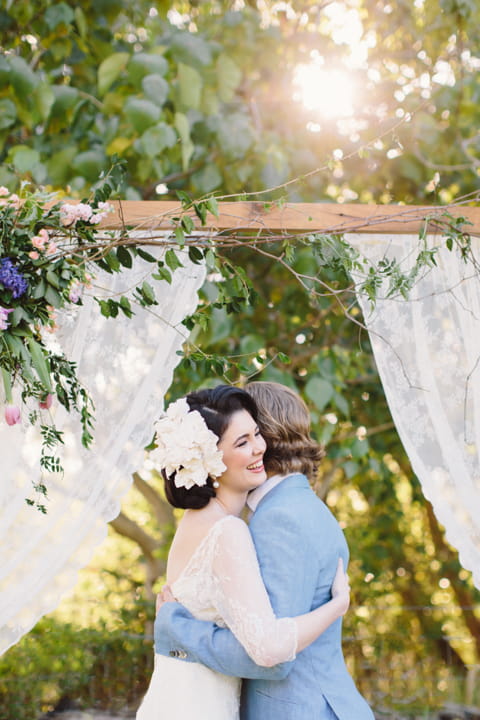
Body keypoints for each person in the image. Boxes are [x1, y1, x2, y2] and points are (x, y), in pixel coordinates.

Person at [154, 381, 375, 720]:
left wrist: (175, 626)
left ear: (268, 435)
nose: (256, 446)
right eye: (244, 439)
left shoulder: (277, 519)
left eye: (256, 434)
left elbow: (270, 656)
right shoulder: (298, 511)